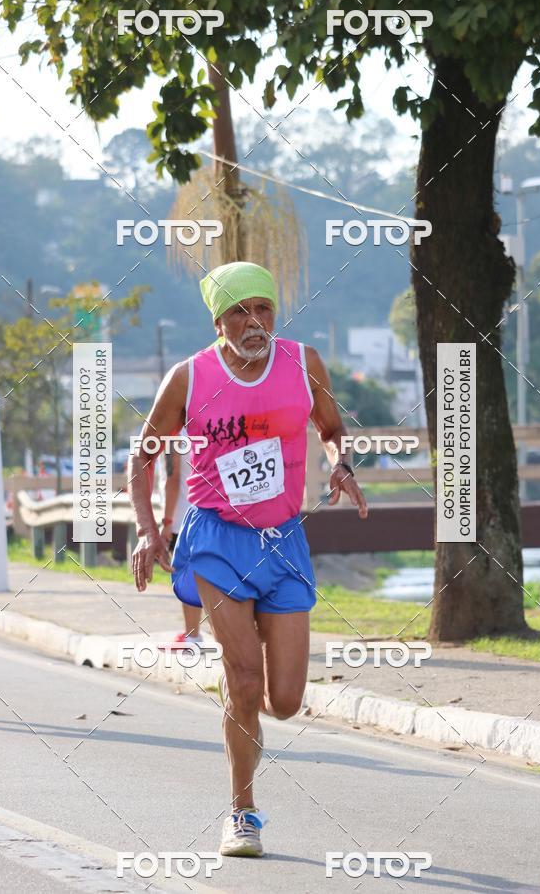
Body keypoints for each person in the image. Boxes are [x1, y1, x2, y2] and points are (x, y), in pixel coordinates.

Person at [129, 261, 367, 858]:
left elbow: (331, 427)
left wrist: (341, 463)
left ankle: (253, 702)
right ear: (218, 321)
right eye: (240, 311)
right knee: (241, 680)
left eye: (263, 308)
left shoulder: (304, 362)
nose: (255, 321)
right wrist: (147, 529)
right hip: (216, 538)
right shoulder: (189, 377)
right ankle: (243, 814)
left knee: (283, 701)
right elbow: (144, 456)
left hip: (283, 540)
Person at [157, 441, 203, 647]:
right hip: (208, 515)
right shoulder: (205, 427)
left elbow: (172, 480)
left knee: (186, 579)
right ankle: (193, 635)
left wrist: (166, 522)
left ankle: (192, 636)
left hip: (181, 520)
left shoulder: (173, 438)